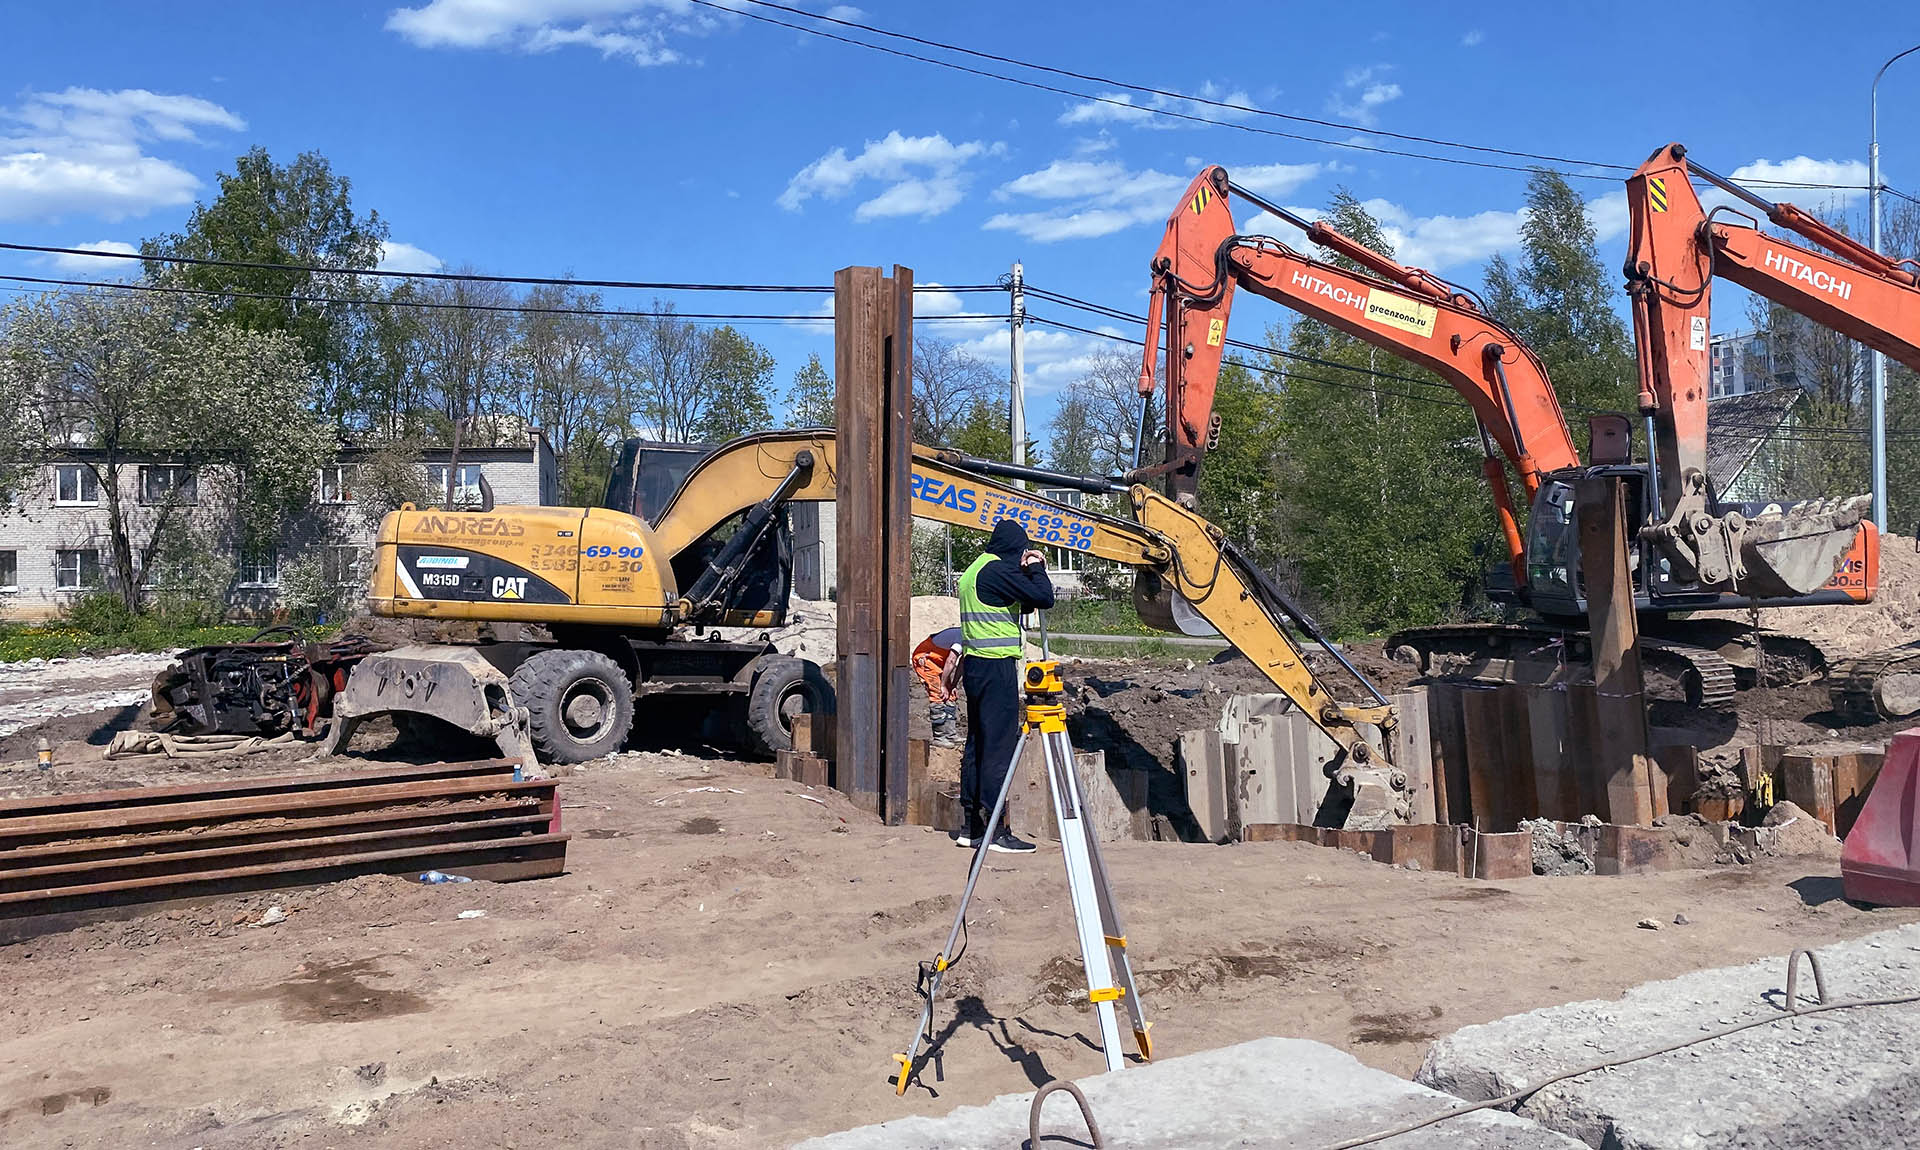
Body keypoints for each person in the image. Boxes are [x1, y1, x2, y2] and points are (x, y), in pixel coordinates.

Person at [955, 518, 1054, 853]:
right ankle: (997, 832)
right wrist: (1037, 567)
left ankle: (971, 826)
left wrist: (1023, 574)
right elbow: (1043, 597)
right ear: (1015, 548)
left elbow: (1016, 601)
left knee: (977, 744)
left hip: (976, 665)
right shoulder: (997, 569)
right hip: (996, 666)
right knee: (998, 749)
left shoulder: (975, 571)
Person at [911, 627, 965, 747]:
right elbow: (951, 661)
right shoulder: (962, 637)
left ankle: (950, 734)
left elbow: (962, 663)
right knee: (938, 694)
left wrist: (953, 685)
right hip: (926, 658)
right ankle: (939, 737)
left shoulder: (972, 641)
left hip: (940, 663)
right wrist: (943, 685)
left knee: (950, 695)